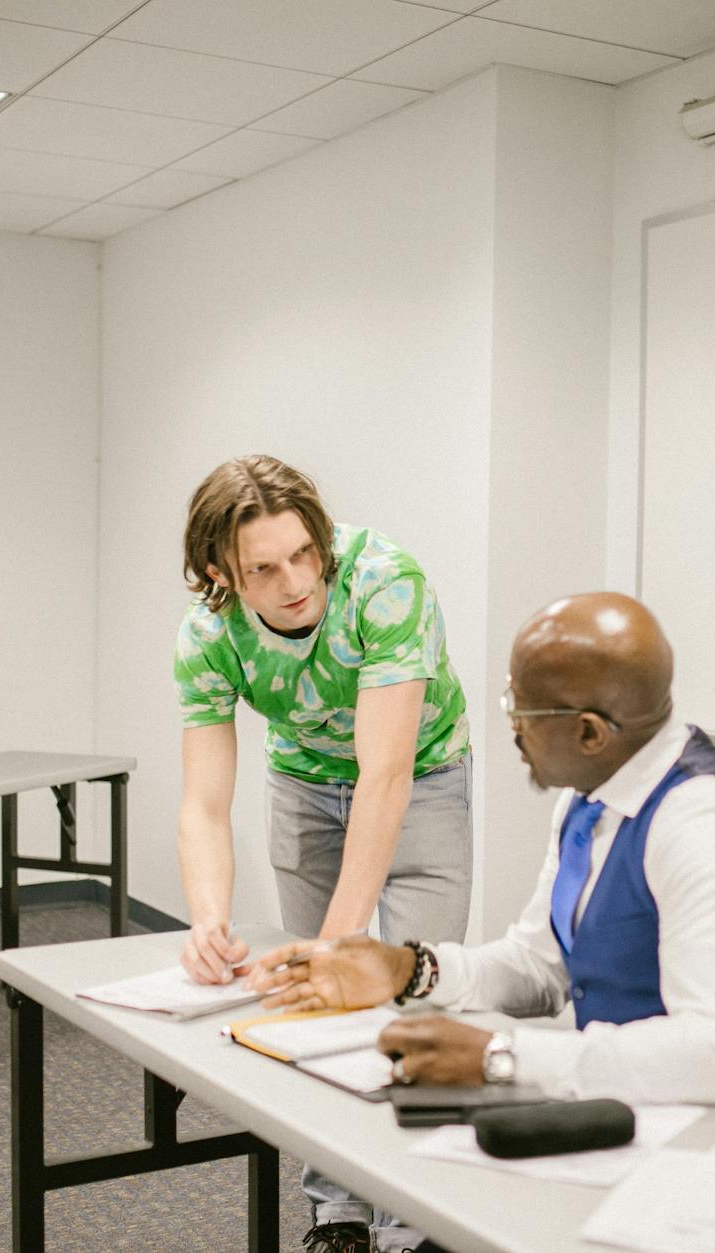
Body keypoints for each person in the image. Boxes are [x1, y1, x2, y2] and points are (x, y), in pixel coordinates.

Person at [252, 592, 715, 1229]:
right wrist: (408, 970)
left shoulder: (711, 827)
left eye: (519, 708)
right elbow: (539, 965)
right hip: (636, 1132)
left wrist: (498, 1056)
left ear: (589, 731)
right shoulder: (590, 801)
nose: (509, 726)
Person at [172, 455, 472, 1251]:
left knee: (415, 988)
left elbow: (385, 778)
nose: (296, 580)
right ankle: (336, 1210)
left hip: (422, 775)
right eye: (264, 569)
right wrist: (208, 919)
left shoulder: (385, 582)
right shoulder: (208, 635)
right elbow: (204, 802)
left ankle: (411, 1216)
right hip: (304, 781)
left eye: (305, 553)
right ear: (221, 574)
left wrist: (340, 947)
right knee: (315, 1006)